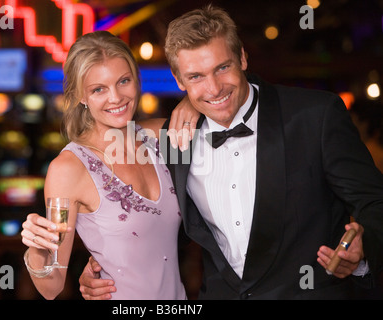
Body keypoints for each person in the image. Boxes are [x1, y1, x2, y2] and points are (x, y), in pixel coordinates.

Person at [80, 5, 383, 299]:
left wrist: (363, 248)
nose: (213, 89)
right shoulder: (175, 140)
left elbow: (373, 201)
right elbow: (170, 228)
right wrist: (107, 263)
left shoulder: (315, 116)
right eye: (196, 76)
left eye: (222, 68)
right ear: (179, 80)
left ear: (242, 57)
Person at [20, 30, 198, 300]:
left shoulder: (160, 137)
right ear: (81, 96)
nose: (116, 98)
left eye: (123, 81)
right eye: (98, 89)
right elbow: (52, 286)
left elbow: (222, 109)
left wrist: (190, 103)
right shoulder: (69, 168)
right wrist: (36, 250)